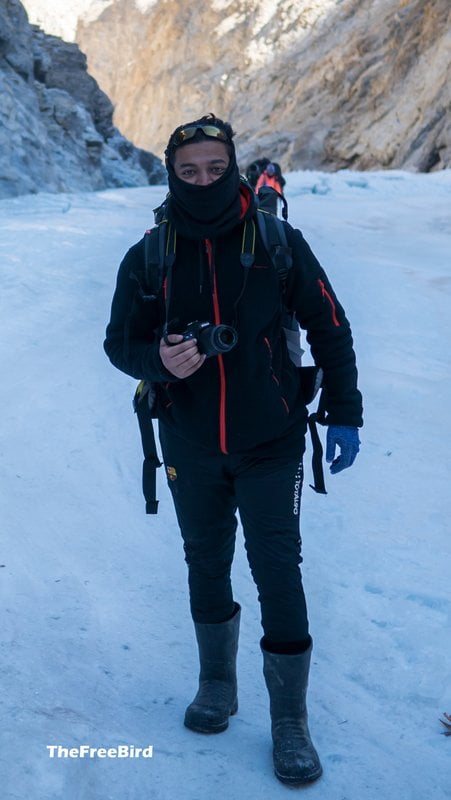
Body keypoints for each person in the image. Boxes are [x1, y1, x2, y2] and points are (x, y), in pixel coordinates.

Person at [104, 113, 363, 786]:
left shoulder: (277, 242)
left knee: (277, 569)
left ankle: (289, 722)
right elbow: (118, 343)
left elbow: (329, 327)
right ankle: (217, 683)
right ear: (171, 174)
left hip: (270, 439)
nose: (202, 181)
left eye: (215, 169)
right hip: (188, 440)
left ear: (233, 167)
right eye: (188, 172)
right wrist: (158, 360)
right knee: (205, 561)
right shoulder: (150, 254)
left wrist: (343, 412)